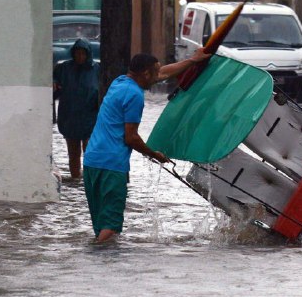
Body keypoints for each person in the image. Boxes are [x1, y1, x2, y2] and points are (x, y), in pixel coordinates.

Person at [82, 49, 210, 243]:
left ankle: (95, 262)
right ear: (146, 74)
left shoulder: (119, 82)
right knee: (111, 228)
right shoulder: (135, 95)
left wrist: (192, 60)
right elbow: (131, 138)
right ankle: (101, 268)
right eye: (155, 72)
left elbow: (165, 72)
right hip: (112, 165)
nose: (160, 76)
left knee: (100, 224)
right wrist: (154, 154)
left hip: (92, 162)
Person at [53, 38, 100, 179]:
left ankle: (89, 179)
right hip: (70, 115)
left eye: (83, 54)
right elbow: (55, 86)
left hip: (90, 116)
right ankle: (76, 178)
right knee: (73, 152)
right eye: (77, 54)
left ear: (88, 54)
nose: (80, 57)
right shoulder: (64, 68)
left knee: (90, 151)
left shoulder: (97, 69)